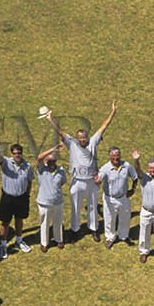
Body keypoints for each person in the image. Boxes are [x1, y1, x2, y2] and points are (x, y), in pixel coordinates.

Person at [51, 104, 118, 237]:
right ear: (77, 138)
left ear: (87, 137)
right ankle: (75, 229)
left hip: (92, 181)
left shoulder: (93, 142)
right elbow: (60, 132)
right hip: (77, 181)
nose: (82, 140)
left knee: (92, 205)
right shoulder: (72, 143)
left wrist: (113, 112)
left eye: (84, 137)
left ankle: (93, 229)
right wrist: (50, 119)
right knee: (75, 206)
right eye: (80, 138)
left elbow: (103, 127)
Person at [97, 147, 139, 248]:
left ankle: (123, 236)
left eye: (117, 156)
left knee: (125, 218)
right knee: (109, 219)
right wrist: (97, 180)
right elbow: (99, 178)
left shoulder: (126, 166)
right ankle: (110, 238)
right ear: (110, 156)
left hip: (123, 198)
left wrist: (132, 189)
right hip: (109, 198)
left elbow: (135, 177)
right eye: (113, 157)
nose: (116, 159)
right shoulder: (105, 168)